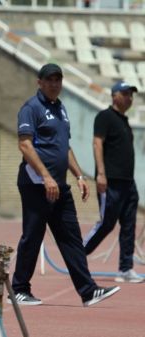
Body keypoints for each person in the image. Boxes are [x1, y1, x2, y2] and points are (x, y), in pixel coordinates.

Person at [10, 63, 120, 307]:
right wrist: (46, 177)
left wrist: (80, 176)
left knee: (71, 239)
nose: (54, 83)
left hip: (59, 186)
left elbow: (64, 147)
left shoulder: (61, 109)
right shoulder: (31, 108)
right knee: (33, 236)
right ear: (39, 82)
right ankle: (18, 289)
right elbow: (25, 145)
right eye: (49, 79)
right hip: (36, 184)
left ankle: (88, 291)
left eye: (58, 79)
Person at [83, 81, 143, 283]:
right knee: (106, 224)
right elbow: (97, 143)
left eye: (131, 95)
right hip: (111, 182)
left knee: (129, 225)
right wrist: (101, 174)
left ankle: (125, 269)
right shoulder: (104, 117)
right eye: (126, 93)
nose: (129, 98)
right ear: (114, 95)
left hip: (128, 183)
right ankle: (78, 256)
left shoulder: (124, 121)